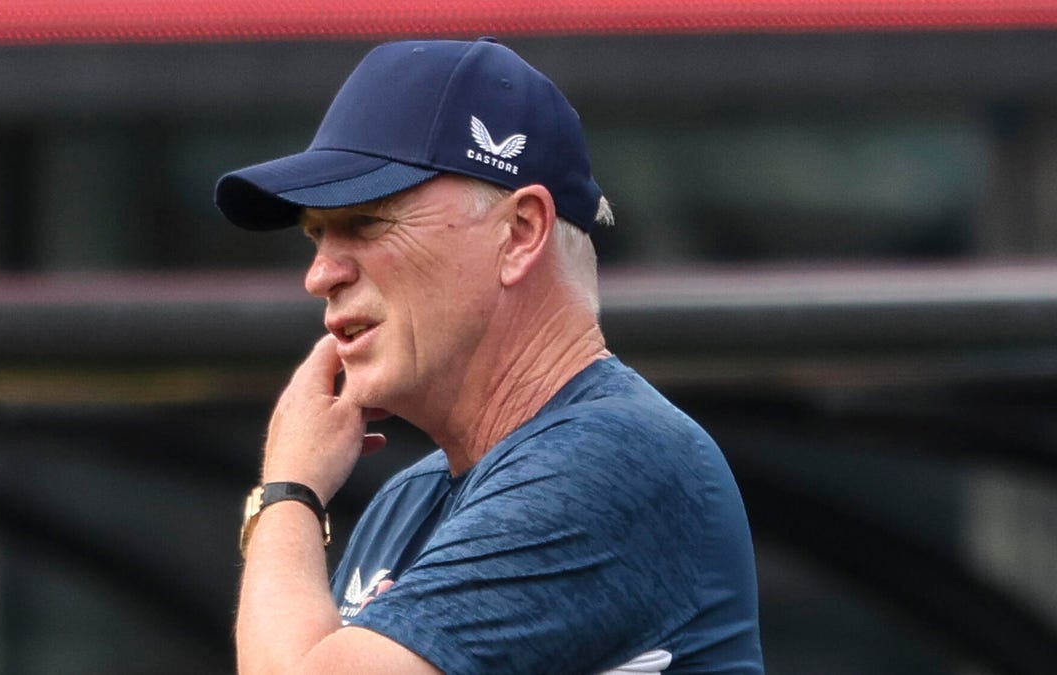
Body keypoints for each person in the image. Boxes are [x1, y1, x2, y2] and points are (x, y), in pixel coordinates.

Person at [215, 37, 763, 674]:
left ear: (520, 233)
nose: (320, 275)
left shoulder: (614, 456)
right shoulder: (409, 501)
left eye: (366, 223)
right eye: (316, 234)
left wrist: (289, 491)